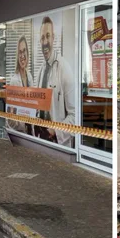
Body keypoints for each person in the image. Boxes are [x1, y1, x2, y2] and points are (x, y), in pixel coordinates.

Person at [33, 16, 76, 147]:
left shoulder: (64, 68)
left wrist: (55, 131)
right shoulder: (40, 71)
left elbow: (75, 116)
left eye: (48, 36)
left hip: (58, 142)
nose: (45, 41)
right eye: (42, 38)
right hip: (41, 139)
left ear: (53, 38)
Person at [6, 36, 33, 134]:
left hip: (30, 129)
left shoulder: (29, 76)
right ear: (17, 56)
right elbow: (10, 117)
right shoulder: (14, 81)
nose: (22, 55)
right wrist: (21, 123)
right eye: (20, 52)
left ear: (28, 53)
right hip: (19, 131)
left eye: (24, 51)